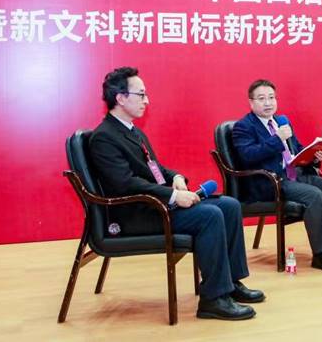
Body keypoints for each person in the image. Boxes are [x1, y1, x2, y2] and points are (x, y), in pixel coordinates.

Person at [89, 67, 263, 321]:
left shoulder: (132, 131)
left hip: (154, 204)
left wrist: (176, 177)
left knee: (229, 205)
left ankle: (230, 282)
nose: (147, 101)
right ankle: (213, 299)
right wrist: (173, 196)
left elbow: (154, 168)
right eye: (141, 94)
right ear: (121, 98)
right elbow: (125, 185)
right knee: (210, 216)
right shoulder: (104, 137)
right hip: (135, 214)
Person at [232, 79, 322, 273]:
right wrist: (277, 139)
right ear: (251, 102)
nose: (268, 103)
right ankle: (321, 254)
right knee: (313, 195)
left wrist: (315, 156)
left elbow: (297, 150)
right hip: (270, 182)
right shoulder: (243, 127)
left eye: (271, 98)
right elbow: (248, 155)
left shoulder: (282, 121)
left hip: (295, 174)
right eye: (261, 99)